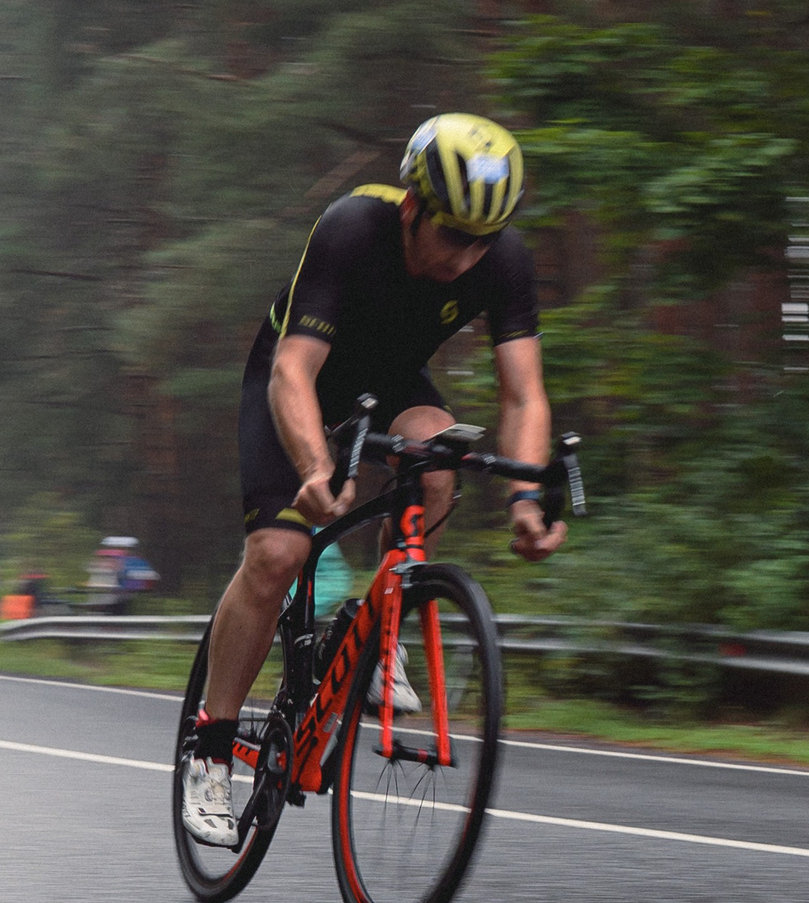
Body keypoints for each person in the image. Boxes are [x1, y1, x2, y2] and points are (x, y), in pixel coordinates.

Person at [181, 113, 569, 848]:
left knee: (439, 462)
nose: (468, 256)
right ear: (414, 207)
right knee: (278, 556)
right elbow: (294, 370)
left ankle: (380, 630)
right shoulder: (353, 227)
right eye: (454, 235)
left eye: (483, 239)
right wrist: (316, 468)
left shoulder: (502, 259)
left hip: (389, 382)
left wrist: (525, 497)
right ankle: (209, 748)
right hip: (297, 377)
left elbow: (525, 394)